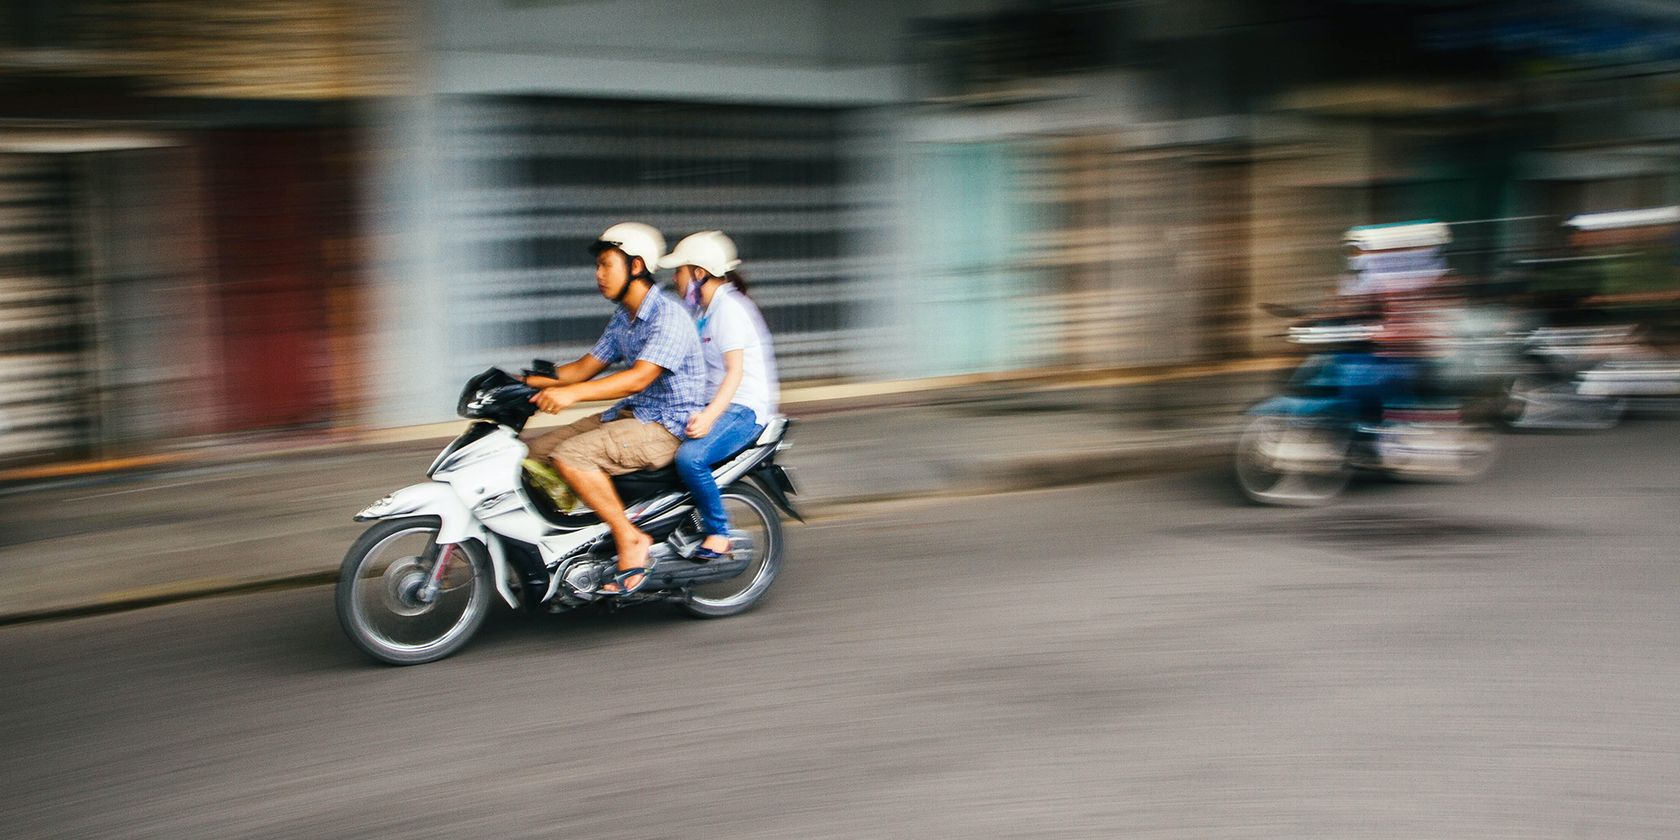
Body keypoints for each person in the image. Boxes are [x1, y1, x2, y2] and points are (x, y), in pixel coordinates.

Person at [522, 222, 706, 594]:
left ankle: (629, 537)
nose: (598, 274)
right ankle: (579, 536)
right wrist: (524, 382)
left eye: (606, 265)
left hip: (666, 428)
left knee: (571, 456)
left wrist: (573, 395)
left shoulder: (668, 316)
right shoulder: (625, 316)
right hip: (632, 415)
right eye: (598, 266)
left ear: (636, 266)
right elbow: (583, 368)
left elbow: (639, 378)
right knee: (533, 453)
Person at [660, 231, 779, 561]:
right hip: (721, 403)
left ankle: (719, 531)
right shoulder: (706, 312)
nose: (674, 279)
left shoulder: (730, 309)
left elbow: (735, 372)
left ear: (698, 273)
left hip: (744, 410)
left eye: (679, 271)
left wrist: (709, 416)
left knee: (690, 458)